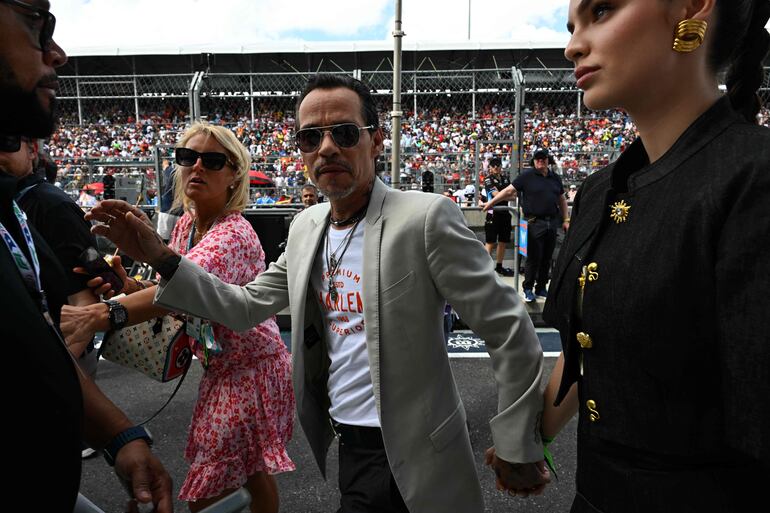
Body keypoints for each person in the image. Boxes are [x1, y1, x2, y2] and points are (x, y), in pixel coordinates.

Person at [87, 74, 551, 513]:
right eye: (311, 137)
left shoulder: (426, 218)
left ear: (377, 140)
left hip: (419, 446)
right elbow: (245, 306)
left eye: (345, 133)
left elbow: (508, 328)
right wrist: (166, 260)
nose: (327, 147)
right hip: (349, 442)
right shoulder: (307, 226)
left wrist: (517, 441)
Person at [541, 1, 770, 512]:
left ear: (691, 8)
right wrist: (526, 438)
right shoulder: (600, 189)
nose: (573, 45)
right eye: (572, 26)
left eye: (602, 11)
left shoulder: (755, 178)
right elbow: (589, 349)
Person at [61, 123, 296, 513]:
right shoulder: (188, 223)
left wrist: (100, 314)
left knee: (209, 487)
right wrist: (127, 283)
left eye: (213, 160)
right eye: (188, 157)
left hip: (251, 369)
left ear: (234, 173)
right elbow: (169, 289)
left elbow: (178, 294)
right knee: (252, 470)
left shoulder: (232, 234)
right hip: (225, 367)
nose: (197, 166)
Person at [0, 1, 172, 511]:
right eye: (38, 23)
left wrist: (119, 435)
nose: (58, 52)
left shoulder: (15, 203)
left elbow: (35, 345)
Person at [481, 148, 569, 303]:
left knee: (547, 258)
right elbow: (508, 190)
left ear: (548, 160)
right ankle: (528, 288)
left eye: (543, 158)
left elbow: (561, 198)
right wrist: (491, 203)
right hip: (534, 222)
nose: (540, 161)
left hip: (551, 221)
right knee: (533, 257)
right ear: (533, 161)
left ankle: (541, 287)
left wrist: (566, 219)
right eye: (537, 159)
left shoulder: (555, 178)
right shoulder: (527, 176)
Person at [482, 157, 515, 277]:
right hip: (492, 212)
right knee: (490, 241)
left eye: (498, 165)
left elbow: (514, 195)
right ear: (490, 168)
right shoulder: (488, 180)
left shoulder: (506, 179)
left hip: (505, 212)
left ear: (501, 166)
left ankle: (499, 267)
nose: (496, 167)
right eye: (493, 165)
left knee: (503, 241)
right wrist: (506, 194)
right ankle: (486, 268)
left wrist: (502, 196)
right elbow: (496, 195)